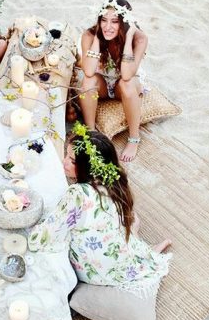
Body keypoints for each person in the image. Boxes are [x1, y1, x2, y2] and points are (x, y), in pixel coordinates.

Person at [29, 124, 171, 290]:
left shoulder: (78, 193)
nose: (64, 162)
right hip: (117, 261)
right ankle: (141, 248)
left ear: (88, 167)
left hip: (94, 273)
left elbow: (41, 239)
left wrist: (33, 230)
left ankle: (136, 243)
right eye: (66, 155)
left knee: (48, 237)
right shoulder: (114, 181)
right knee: (126, 223)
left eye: (72, 160)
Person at [79, 0, 148, 162]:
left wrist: (128, 38)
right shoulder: (90, 35)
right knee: (87, 82)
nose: (108, 27)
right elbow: (88, 71)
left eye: (115, 22)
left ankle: (134, 138)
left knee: (127, 84)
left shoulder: (139, 39)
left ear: (124, 23)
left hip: (124, 83)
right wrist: (97, 37)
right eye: (104, 20)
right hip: (102, 82)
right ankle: (91, 132)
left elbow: (126, 74)